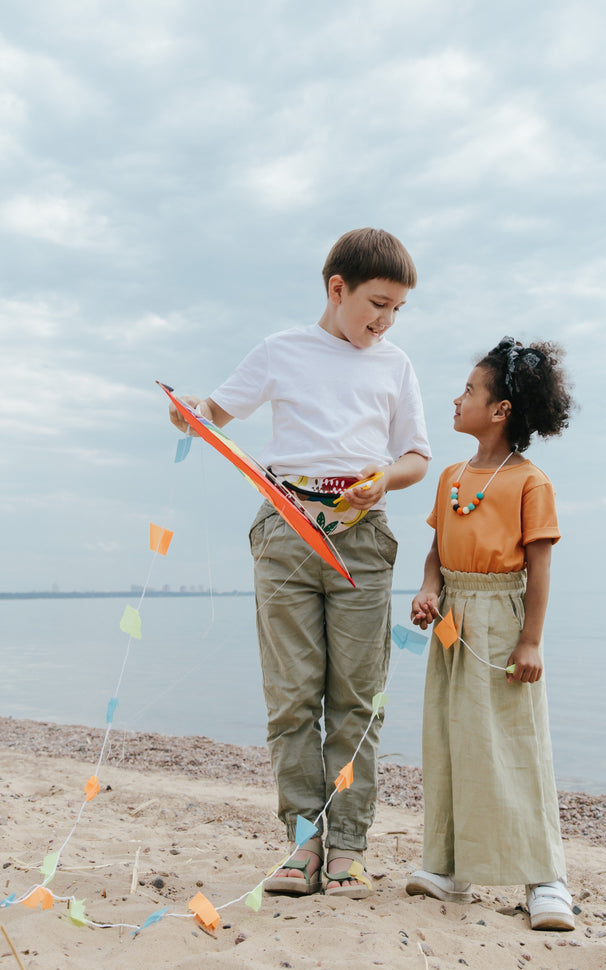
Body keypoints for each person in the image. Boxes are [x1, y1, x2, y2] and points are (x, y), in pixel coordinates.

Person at [169, 228, 431, 898]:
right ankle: (301, 843)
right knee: (291, 699)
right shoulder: (281, 351)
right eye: (377, 303)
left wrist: (385, 480)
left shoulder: (396, 365)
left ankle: (347, 844)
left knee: (355, 700)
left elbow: (415, 457)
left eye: (398, 308)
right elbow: (217, 411)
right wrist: (190, 414)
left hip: (363, 539)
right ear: (336, 288)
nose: (386, 319)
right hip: (286, 533)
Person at [405, 336, 576, 931]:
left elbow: (539, 568)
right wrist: (429, 592)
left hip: (503, 619)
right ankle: (451, 865)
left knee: (514, 744)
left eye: (470, 391)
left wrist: (531, 641)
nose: (457, 399)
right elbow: (435, 552)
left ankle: (545, 878)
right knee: (453, 738)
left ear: (500, 410)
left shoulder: (530, 482)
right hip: (453, 618)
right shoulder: (452, 475)